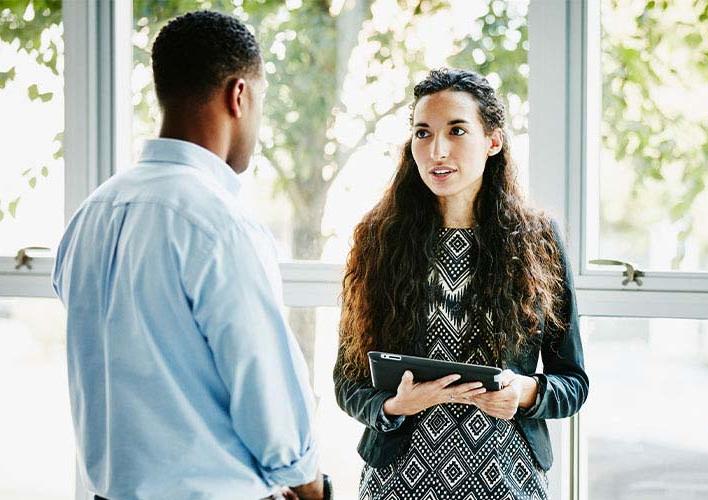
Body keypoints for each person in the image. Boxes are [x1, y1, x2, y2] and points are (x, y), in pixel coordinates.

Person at [52, 11, 329, 499]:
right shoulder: (219, 225)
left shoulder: (90, 216)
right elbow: (265, 389)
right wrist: (309, 486)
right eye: (259, 100)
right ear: (238, 95)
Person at [334, 68, 589, 499]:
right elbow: (347, 381)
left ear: (493, 140)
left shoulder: (539, 239)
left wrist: (526, 393)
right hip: (397, 484)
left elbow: (573, 382)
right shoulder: (378, 240)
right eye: (423, 132)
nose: (437, 150)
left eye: (456, 130)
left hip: (509, 484)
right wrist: (394, 406)